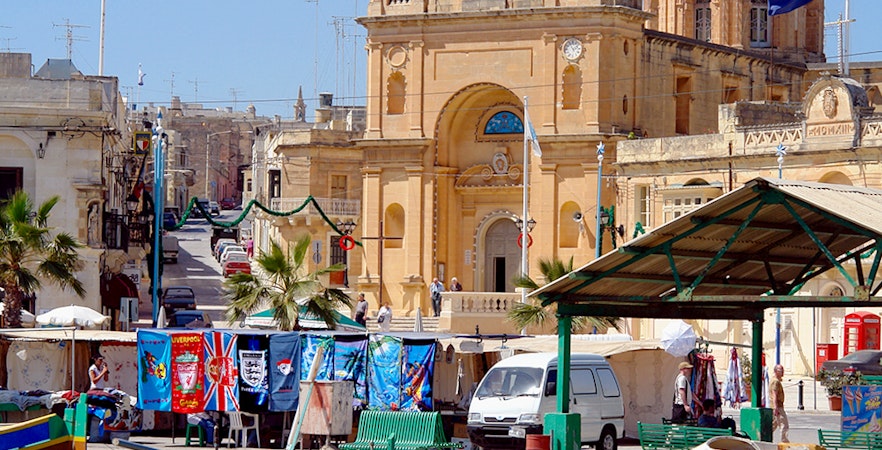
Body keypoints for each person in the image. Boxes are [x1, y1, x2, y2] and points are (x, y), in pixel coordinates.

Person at [770, 364, 789, 442]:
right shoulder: (775, 382)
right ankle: (784, 442)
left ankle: (765, 438)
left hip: (774, 406)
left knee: (773, 425)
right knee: (784, 425)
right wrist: (776, 407)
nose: (783, 372)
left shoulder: (774, 380)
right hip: (778, 406)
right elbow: (774, 394)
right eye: (781, 370)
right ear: (776, 371)